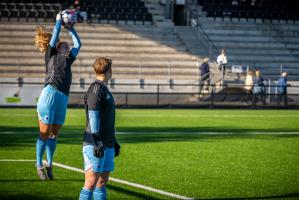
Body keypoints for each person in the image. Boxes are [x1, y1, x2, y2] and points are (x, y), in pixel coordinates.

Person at [34, 12, 81, 180]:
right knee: (44, 133)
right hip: (50, 94)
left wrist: (72, 30)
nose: (67, 47)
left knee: (54, 134)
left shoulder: (68, 60)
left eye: (68, 47)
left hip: (62, 98)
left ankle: (49, 164)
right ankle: (38, 164)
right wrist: (58, 23)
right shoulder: (51, 54)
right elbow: (54, 37)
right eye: (64, 46)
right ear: (57, 48)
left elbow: (78, 44)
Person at [79, 57, 120, 200]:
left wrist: (113, 141)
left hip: (107, 144)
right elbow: (93, 115)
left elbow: (107, 119)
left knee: (102, 183)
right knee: (90, 183)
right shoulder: (96, 89)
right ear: (110, 71)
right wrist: (97, 141)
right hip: (94, 144)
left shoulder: (104, 89)